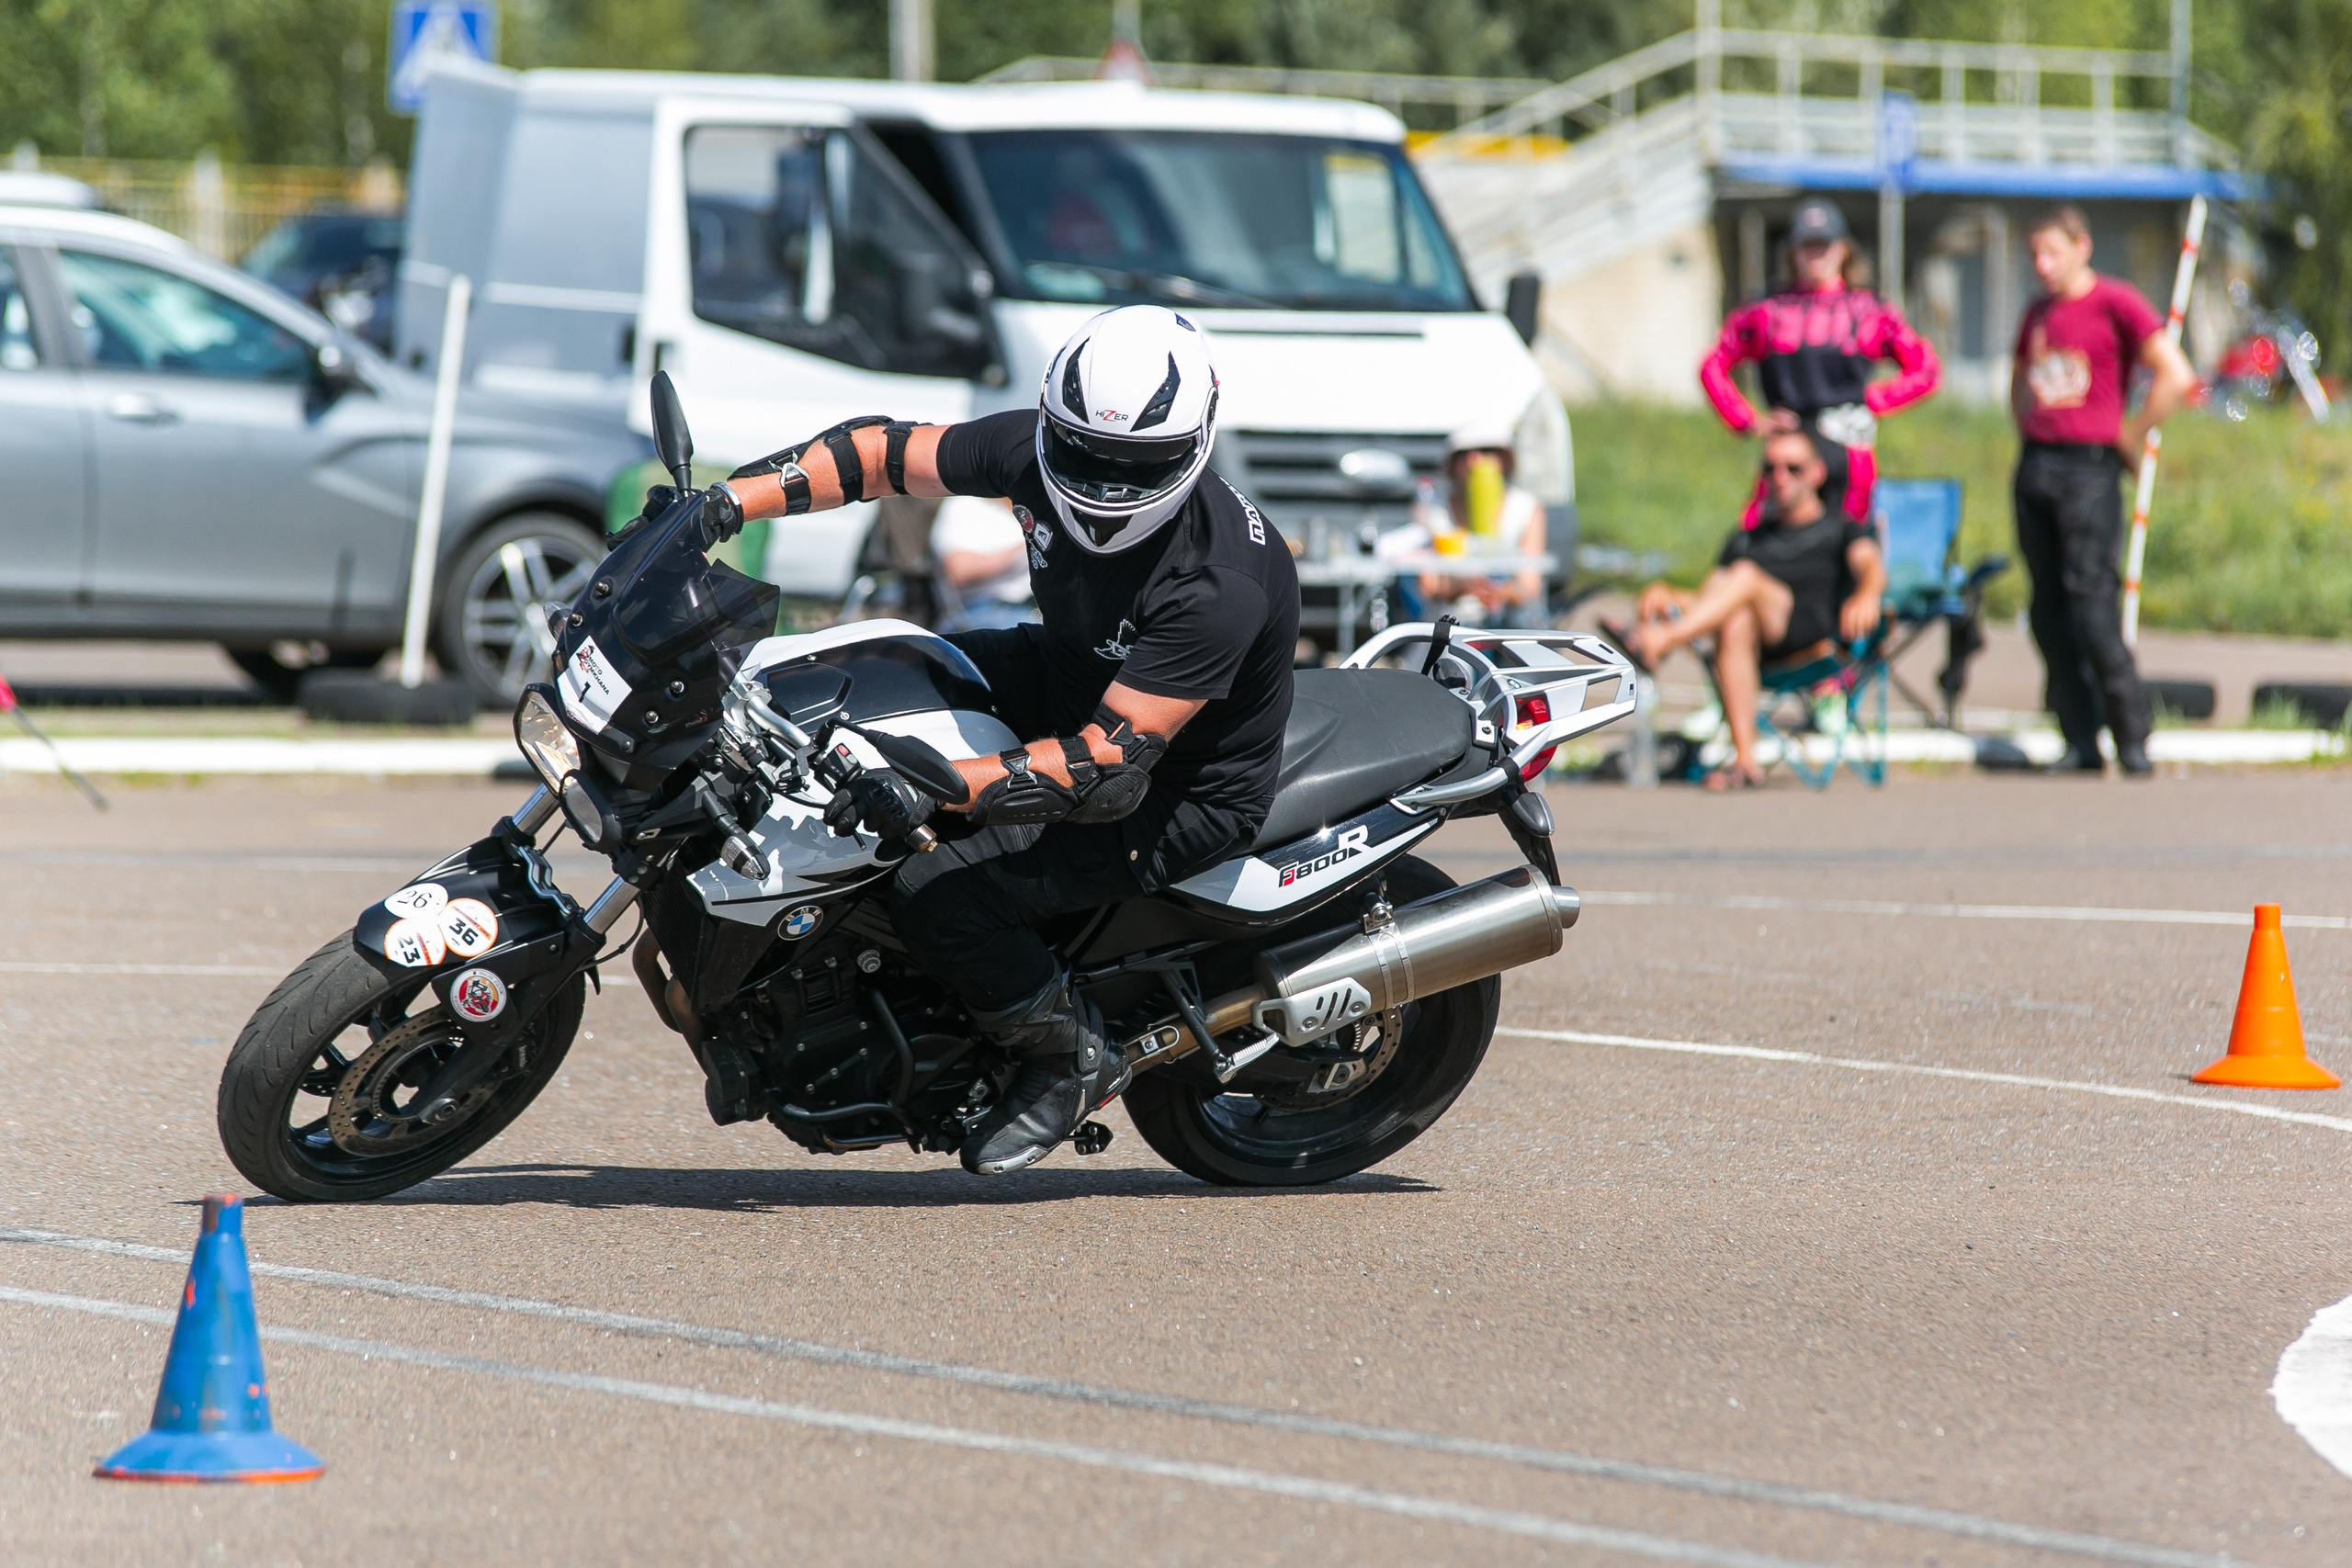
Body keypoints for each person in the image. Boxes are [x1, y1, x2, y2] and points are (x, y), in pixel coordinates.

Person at [702, 305, 1298, 1175]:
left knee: (940, 880)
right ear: (1056, 423)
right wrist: (721, 503)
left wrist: (934, 786)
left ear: (1198, 439)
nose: (1102, 481)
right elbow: (878, 454)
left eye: (1137, 466)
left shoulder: (1220, 581)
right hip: (1070, 670)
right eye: (1085, 451)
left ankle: (1066, 1056)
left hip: (1182, 785)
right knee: (880, 666)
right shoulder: (1033, 450)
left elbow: (1107, 762)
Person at [2010, 203, 2197, 778]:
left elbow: (2177, 375)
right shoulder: (2038, 311)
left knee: (2091, 606)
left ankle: (2131, 735)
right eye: (2035, 255)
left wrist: (2130, 434)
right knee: (2048, 611)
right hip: (2038, 464)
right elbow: (2019, 382)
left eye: (2052, 252)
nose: (2043, 265)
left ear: (2081, 246)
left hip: (2089, 469)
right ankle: (2079, 737)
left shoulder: (2114, 302)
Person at [1609, 429, 1885, 790]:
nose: (1780, 477)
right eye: (1770, 468)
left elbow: (1870, 565)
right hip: (1751, 644)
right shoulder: (1748, 537)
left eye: (1793, 468)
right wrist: (1670, 596)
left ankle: (1660, 642)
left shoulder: (1842, 529)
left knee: (1745, 575)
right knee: (1734, 616)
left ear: (1817, 473)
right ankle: (1745, 761)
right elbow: (1713, 600)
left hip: (1811, 635)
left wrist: (1867, 594)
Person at [1700, 199, 1940, 529]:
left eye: (1823, 246)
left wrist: (1875, 400)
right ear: (1792, 252)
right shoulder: (1767, 310)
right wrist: (1748, 421)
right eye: (1807, 247)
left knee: (1850, 543)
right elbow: (1713, 365)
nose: (1816, 257)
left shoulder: (1868, 309)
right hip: (1789, 449)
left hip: (1848, 450)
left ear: (1843, 249)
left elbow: (1926, 369)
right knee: (1763, 538)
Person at [1407, 422, 1549, 628]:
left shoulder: (1527, 508)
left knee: (1527, 618)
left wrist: (1498, 592)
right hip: (1453, 613)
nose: (1475, 461)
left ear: (1504, 460)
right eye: (1465, 454)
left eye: (1487, 451)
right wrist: (1466, 586)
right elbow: (1428, 585)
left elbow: (1530, 586)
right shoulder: (1435, 509)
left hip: (1508, 614)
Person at [930, 494, 1036, 630]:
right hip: (984, 609)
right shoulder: (965, 504)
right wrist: (1027, 547)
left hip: (1034, 607)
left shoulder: (1032, 507)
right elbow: (959, 570)